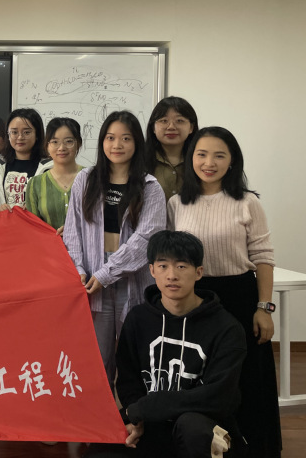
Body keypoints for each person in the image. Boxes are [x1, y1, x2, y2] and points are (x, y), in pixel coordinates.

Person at [168, 127, 281, 458]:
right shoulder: (177, 202)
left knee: (247, 375)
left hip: (239, 296)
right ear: (190, 159)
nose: (209, 163)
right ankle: (204, 444)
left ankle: (254, 446)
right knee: (199, 375)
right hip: (194, 298)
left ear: (232, 162)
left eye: (219, 155)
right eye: (201, 154)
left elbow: (263, 257)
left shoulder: (247, 202)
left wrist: (264, 307)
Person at [87, 230, 247, 458]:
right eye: (163, 266)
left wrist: (147, 407)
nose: (172, 275)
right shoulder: (137, 319)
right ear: (152, 270)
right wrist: (136, 419)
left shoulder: (226, 328)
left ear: (198, 272)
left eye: (181, 266)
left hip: (201, 425)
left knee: (192, 429)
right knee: (99, 447)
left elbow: (219, 396)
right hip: (149, 423)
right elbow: (129, 381)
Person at [64, 111, 166, 386]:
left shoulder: (149, 186)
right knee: (96, 358)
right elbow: (72, 232)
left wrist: (107, 273)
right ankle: (102, 410)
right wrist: (79, 270)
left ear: (137, 143)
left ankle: (135, 409)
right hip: (92, 279)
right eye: (110, 138)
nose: (116, 145)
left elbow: (146, 238)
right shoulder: (86, 179)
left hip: (132, 277)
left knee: (137, 356)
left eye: (125, 138)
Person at [0, 108, 47, 215]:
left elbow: (55, 205)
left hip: (34, 224)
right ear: (8, 134)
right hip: (4, 224)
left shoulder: (49, 167)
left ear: (37, 134)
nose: (20, 137)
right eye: (14, 132)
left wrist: (36, 209)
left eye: (26, 132)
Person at [25, 117, 84, 233]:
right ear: (47, 146)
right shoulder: (35, 184)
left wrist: (73, 231)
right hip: (47, 245)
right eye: (55, 142)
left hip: (87, 245)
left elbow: (101, 221)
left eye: (69, 141)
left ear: (79, 144)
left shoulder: (93, 178)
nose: (61, 148)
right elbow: (32, 229)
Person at [144, 97, 198, 201]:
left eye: (179, 121)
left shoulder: (200, 162)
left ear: (191, 127)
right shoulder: (139, 160)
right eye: (164, 121)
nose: (171, 127)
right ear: (153, 127)